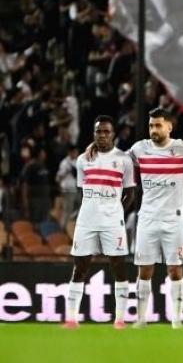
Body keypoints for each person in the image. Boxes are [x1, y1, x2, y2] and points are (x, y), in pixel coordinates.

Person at [87, 107, 183, 329]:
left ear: (169, 127)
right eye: (151, 125)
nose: (154, 129)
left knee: (175, 270)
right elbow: (118, 158)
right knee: (144, 270)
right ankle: (141, 320)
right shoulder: (140, 148)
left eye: (158, 125)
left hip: (174, 219)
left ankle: (176, 321)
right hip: (147, 218)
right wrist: (96, 147)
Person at [64, 115, 135, 329]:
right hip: (87, 221)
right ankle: (71, 319)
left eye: (106, 131)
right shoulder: (83, 159)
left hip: (112, 222)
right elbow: (81, 190)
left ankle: (120, 319)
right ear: (93, 134)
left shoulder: (124, 159)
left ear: (113, 134)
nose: (102, 135)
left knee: (119, 267)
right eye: (99, 131)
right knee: (80, 267)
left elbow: (130, 193)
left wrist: (117, 211)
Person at [56, 145, 80, 228]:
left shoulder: (77, 161)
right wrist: (67, 171)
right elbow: (59, 177)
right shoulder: (65, 163)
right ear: (70, 152)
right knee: (67, 209)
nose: (76, 154)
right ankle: (62, 227)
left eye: (76, 152)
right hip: (68, 189)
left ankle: (72, 220)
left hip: (76, 188)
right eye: (74, 152)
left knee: (81, 206)